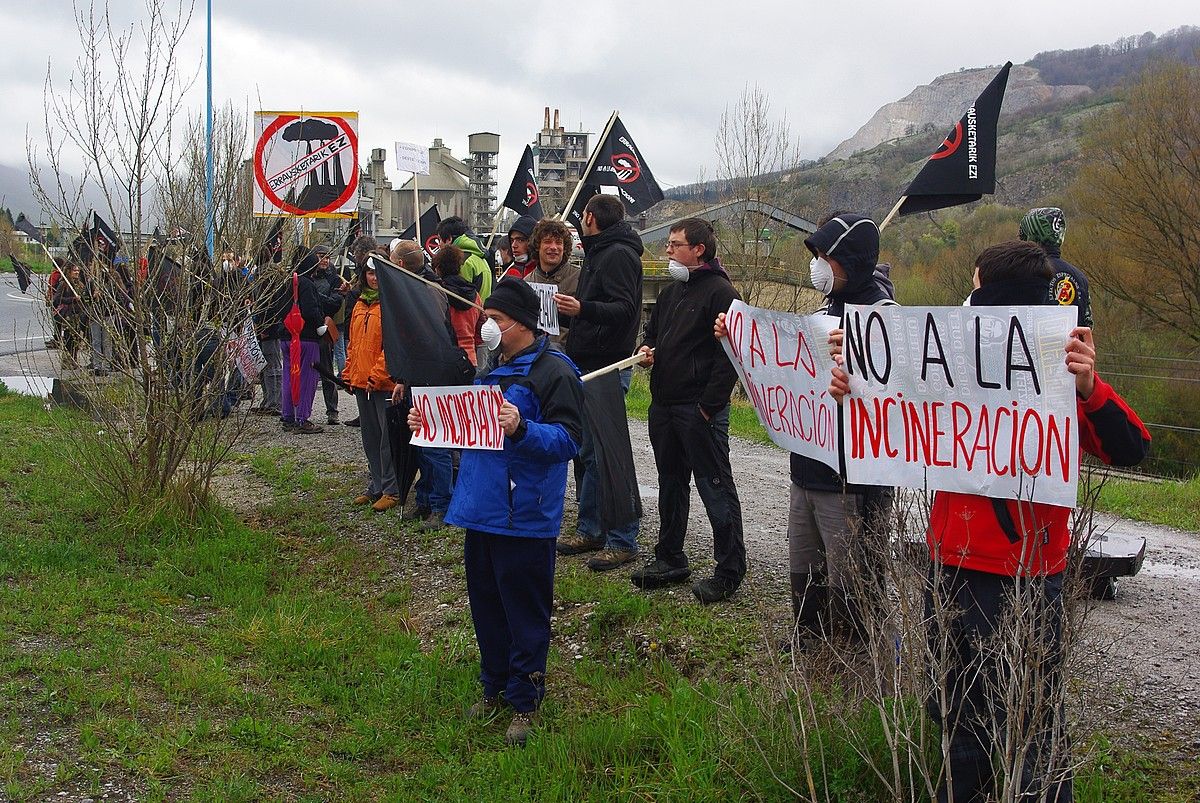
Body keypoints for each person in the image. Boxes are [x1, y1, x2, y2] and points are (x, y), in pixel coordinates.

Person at [829, 240, 1150, 803]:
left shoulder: (1058, 372)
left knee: (1030, 720)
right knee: (956, 712)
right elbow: (896, 413)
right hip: (949, 565)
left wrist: (1089, 388)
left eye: (975, 284)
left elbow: (1131, 446)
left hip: (1025, 577)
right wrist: (854, 385)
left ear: (990, 293)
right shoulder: (950, 364)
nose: (967, 295)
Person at [409, 278, 583, 747]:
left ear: (523, 324)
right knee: (486, 607)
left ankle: (525, 701)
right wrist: (429, 422)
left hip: (525, 516)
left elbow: (570, 441)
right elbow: (470, 431)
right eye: (488, 318)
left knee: (525, 611)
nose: (488, 327)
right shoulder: (489, 371)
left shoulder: (555, 373)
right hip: (481, 511)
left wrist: (524, 428)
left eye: (497, 320)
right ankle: (494, 687)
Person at [632, 218, 746, 604]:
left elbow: (729, 356)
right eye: (668, 243)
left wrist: (708, 408)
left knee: (715, 487)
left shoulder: (721, 292)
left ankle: (729, 570)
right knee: (671, 481)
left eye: (675, 244)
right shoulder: (671, 292)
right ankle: (670, 557)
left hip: (699, 410)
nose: (667, 250)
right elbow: (653, 334)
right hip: (663, 404)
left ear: (698, 249)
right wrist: (646, 352)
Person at [554, 194, 644, 572]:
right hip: (587, 363)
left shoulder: (618, 254)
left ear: (590, 217)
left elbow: (624, 311)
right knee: (587, 453)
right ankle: (591, 528)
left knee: (608, 453)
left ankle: (623, 538)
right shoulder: (599, 251)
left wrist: (582, 309)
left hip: (608, 368)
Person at [390, 239, 456, 531]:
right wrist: (405, 378)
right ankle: (426, 499)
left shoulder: (429, 291)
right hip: (419, 377)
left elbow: (432, 337)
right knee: (421, 441)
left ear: (401, 264)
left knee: (435, 445)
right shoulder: (413, 289)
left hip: (435, 377)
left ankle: (443, 505)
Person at [342, 260, 401, 512]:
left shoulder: (391, 304)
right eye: (369, 273)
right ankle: (376, 484)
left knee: (387, 441)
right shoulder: (359, 304)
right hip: (361, 382)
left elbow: (392, 347)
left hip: (381, 384)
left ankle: (392, 489)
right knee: (370, 439)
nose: (373, 277)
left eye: (377, 273)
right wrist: (348, 372)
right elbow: (353, 343)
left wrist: (377, 375)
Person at [278, 247, 340, 434]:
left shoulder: (286, 283)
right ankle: (302, 418)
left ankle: (288, 415)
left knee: (289, 376)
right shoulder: (307, 284)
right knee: (306, 378)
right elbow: (312, 311)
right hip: (306, 338)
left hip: (286, 336)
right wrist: (320, 323)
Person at [1018, 207, 1093, 328]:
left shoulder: (1022, 273)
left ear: (1031, 233)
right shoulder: (1080, 277)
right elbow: (1087, 324)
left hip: (1037, 345)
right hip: (1073, 345)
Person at [311, 245, 351, 424]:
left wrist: (315, 298)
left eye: (327, 256)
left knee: (327, 372)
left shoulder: (335, 279)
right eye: (321, 256)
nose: (325, 260)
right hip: (309, 330)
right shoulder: (309, 277)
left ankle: (332, 410)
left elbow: (335, 304)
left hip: (325, 330)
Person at [525, 219, 580, 347]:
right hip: (536, 355)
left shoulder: (580, 277)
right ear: (538, 246)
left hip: (569, 356)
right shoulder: (527, 282)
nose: (554, 247)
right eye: (547, 242)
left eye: (559, 243)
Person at [431, 245, 484, 369]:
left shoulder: (438, 294)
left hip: (445, 360)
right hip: (470, 359)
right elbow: (481, 330)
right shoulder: (475, 295)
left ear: (438, 268)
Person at [436, 216, 493, 301]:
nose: (439, 245)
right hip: (481, 310)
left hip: (471, 312)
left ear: (449, 239)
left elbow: (460, 299)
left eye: (440, 239)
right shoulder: (478, 256)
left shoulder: (462, 261)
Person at [500, 215, 538, 280]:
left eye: (520, 240)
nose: (514, 245)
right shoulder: (511, 272)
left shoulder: (544, 271)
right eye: (512, 240)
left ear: (532, 241)